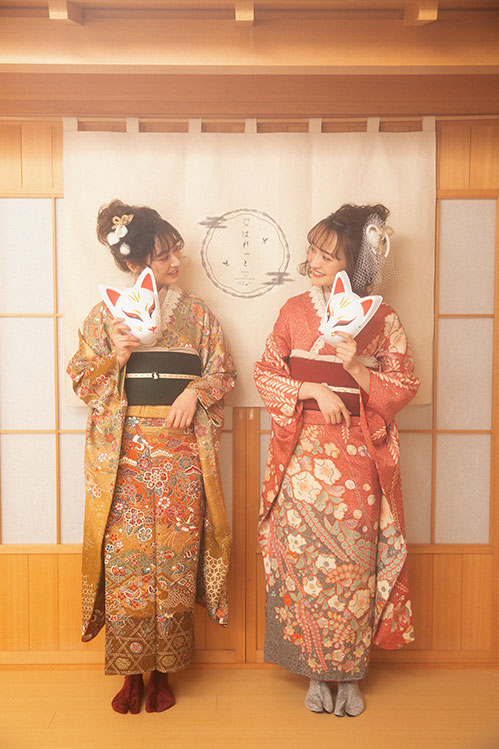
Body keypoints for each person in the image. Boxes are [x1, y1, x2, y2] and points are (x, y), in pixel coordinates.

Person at [68, 199, 236, 714]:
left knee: (176, 562)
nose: (175, 263)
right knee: (128, 562)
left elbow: (224, 373)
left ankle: (164, 671)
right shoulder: (105, 316)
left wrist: (194, 392)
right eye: (163, 256)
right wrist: (116, 357)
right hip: (125, 457)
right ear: (133, 261)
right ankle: (129, 672)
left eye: (176, 252)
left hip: (181, 454)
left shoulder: (198, 315)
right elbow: (81, 380)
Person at [254, 203, 419, 716]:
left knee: (352, 566)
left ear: (354, 263)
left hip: (357, 458)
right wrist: (311, 388)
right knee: (305, 563)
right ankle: (312, 673)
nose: (315, 261)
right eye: (313, 251)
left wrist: (357, 369)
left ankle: (349, 675)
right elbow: (266, 372)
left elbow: (404, 385)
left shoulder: (382, 318)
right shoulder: (293, 311)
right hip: (301, 455)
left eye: (328, 255)